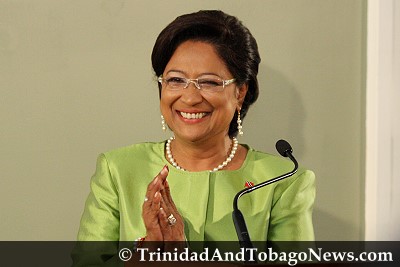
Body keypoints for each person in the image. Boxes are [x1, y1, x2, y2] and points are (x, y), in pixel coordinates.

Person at [74, 9, 315, 264]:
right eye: (175, 80)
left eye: (209, 82)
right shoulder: (119, 170)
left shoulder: (283, 181)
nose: (189, 98)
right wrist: (149, 252)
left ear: (240, 93)